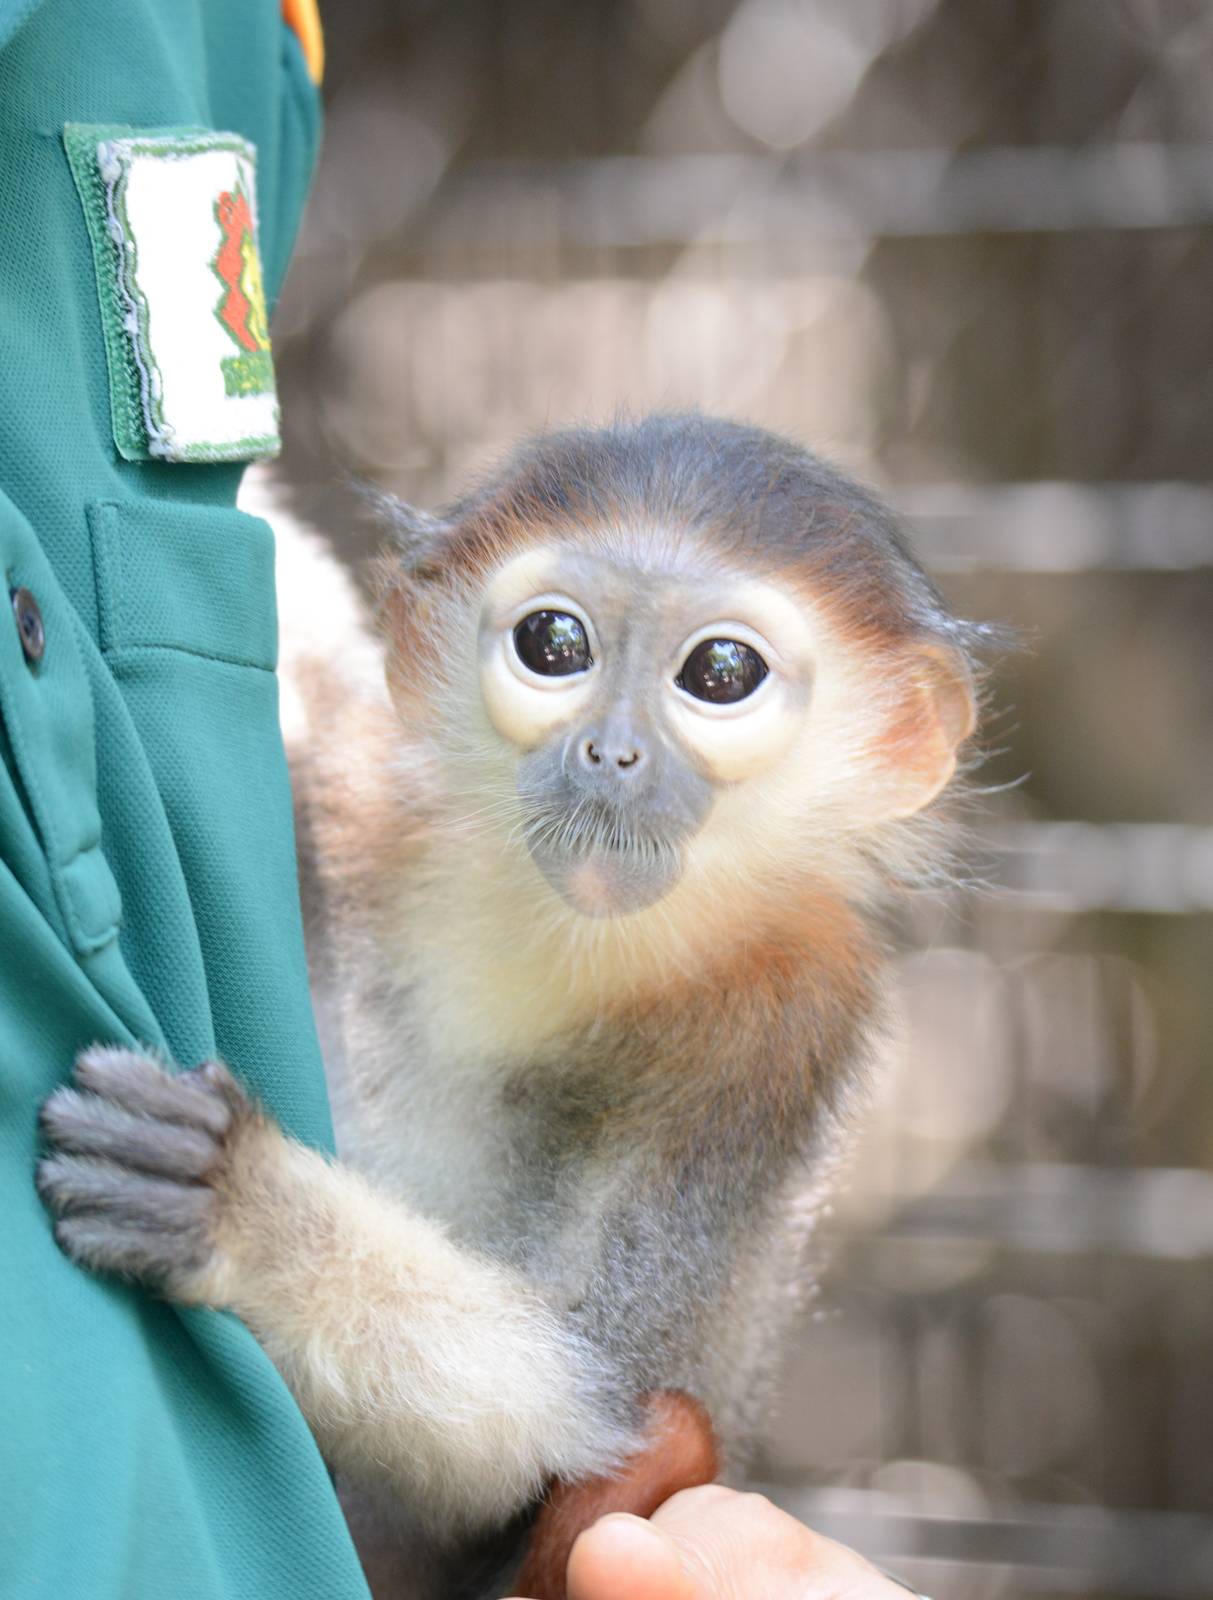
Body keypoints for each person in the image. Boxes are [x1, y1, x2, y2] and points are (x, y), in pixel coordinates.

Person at [0, 1, 920, 1595]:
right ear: (440, 634)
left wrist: (267, 1227)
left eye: (717, 679)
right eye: (557, 647)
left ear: (903, 742)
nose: (613, 753)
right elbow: (198, 582)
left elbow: (560, 1422)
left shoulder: (781, 1010)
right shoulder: (370, 765)